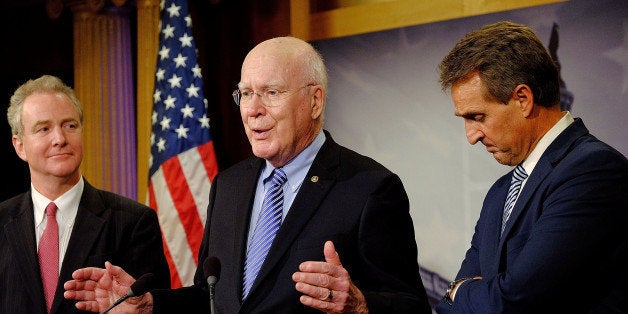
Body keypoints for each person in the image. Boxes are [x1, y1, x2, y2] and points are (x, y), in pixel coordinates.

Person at [64, 37, 431, 313]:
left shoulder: (369, 188)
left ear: (315, 101)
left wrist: (361, 304)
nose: (252, 110)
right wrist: (148, 304)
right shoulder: (230, 185)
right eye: (245, 94)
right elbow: (212, 297)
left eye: (271, 93)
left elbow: (411, 304)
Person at [435, 21, 628, 313]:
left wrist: (457, 290)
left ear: (523, 99)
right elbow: (449, 307)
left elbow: (514, 302)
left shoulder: (594, 171)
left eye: (477, 116)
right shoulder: (500, 193)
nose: (471, 136)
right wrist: (460, 294)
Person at [1, 75, 171, 313]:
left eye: (70, 126)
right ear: (20, 146)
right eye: (44, 129)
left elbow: (152, 307)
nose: (59, 139)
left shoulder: (133, 222)